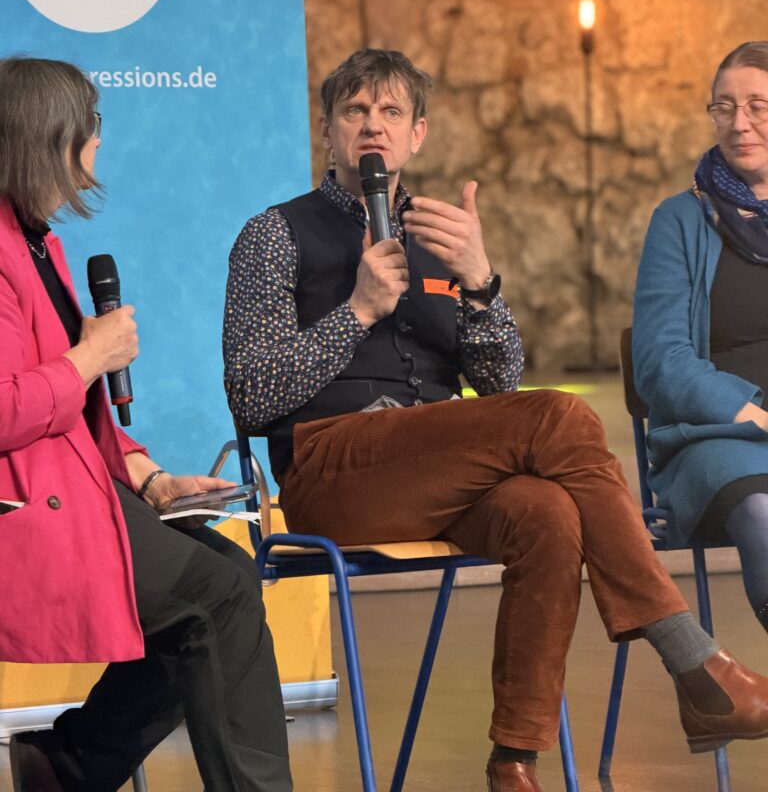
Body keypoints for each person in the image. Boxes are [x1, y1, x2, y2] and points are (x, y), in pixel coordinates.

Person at [224, 48, 768, 792]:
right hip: (332, 472)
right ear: (328, 131)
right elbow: (252, 395)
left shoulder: (444, 234)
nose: (372, 128)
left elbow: (500, 381)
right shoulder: (272, 236)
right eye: (355, 112)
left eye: (390, 113)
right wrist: (356, 310)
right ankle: (694, 660)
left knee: (546, 513)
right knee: (558, 416)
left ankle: (514, 761)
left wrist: (480, 283)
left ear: (419, 134)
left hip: (442, 469)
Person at [0, 57, 292, 792]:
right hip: (24, 506)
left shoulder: (35, 241)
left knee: (227, 577)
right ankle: (74, 765)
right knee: (213, 600)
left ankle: (68, 766)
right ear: (48, 138)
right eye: (89, 126)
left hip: (78, 486)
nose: (99, 142)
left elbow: (80, 419)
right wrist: (89, 356)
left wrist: (149, 475)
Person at [634, 40, 768, 634]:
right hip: (717, 436)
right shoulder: (678, 220)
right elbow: (660, 361)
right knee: (763, 510)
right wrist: (753, 414)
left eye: (758, 107)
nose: (740, 124)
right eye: (724, 107)